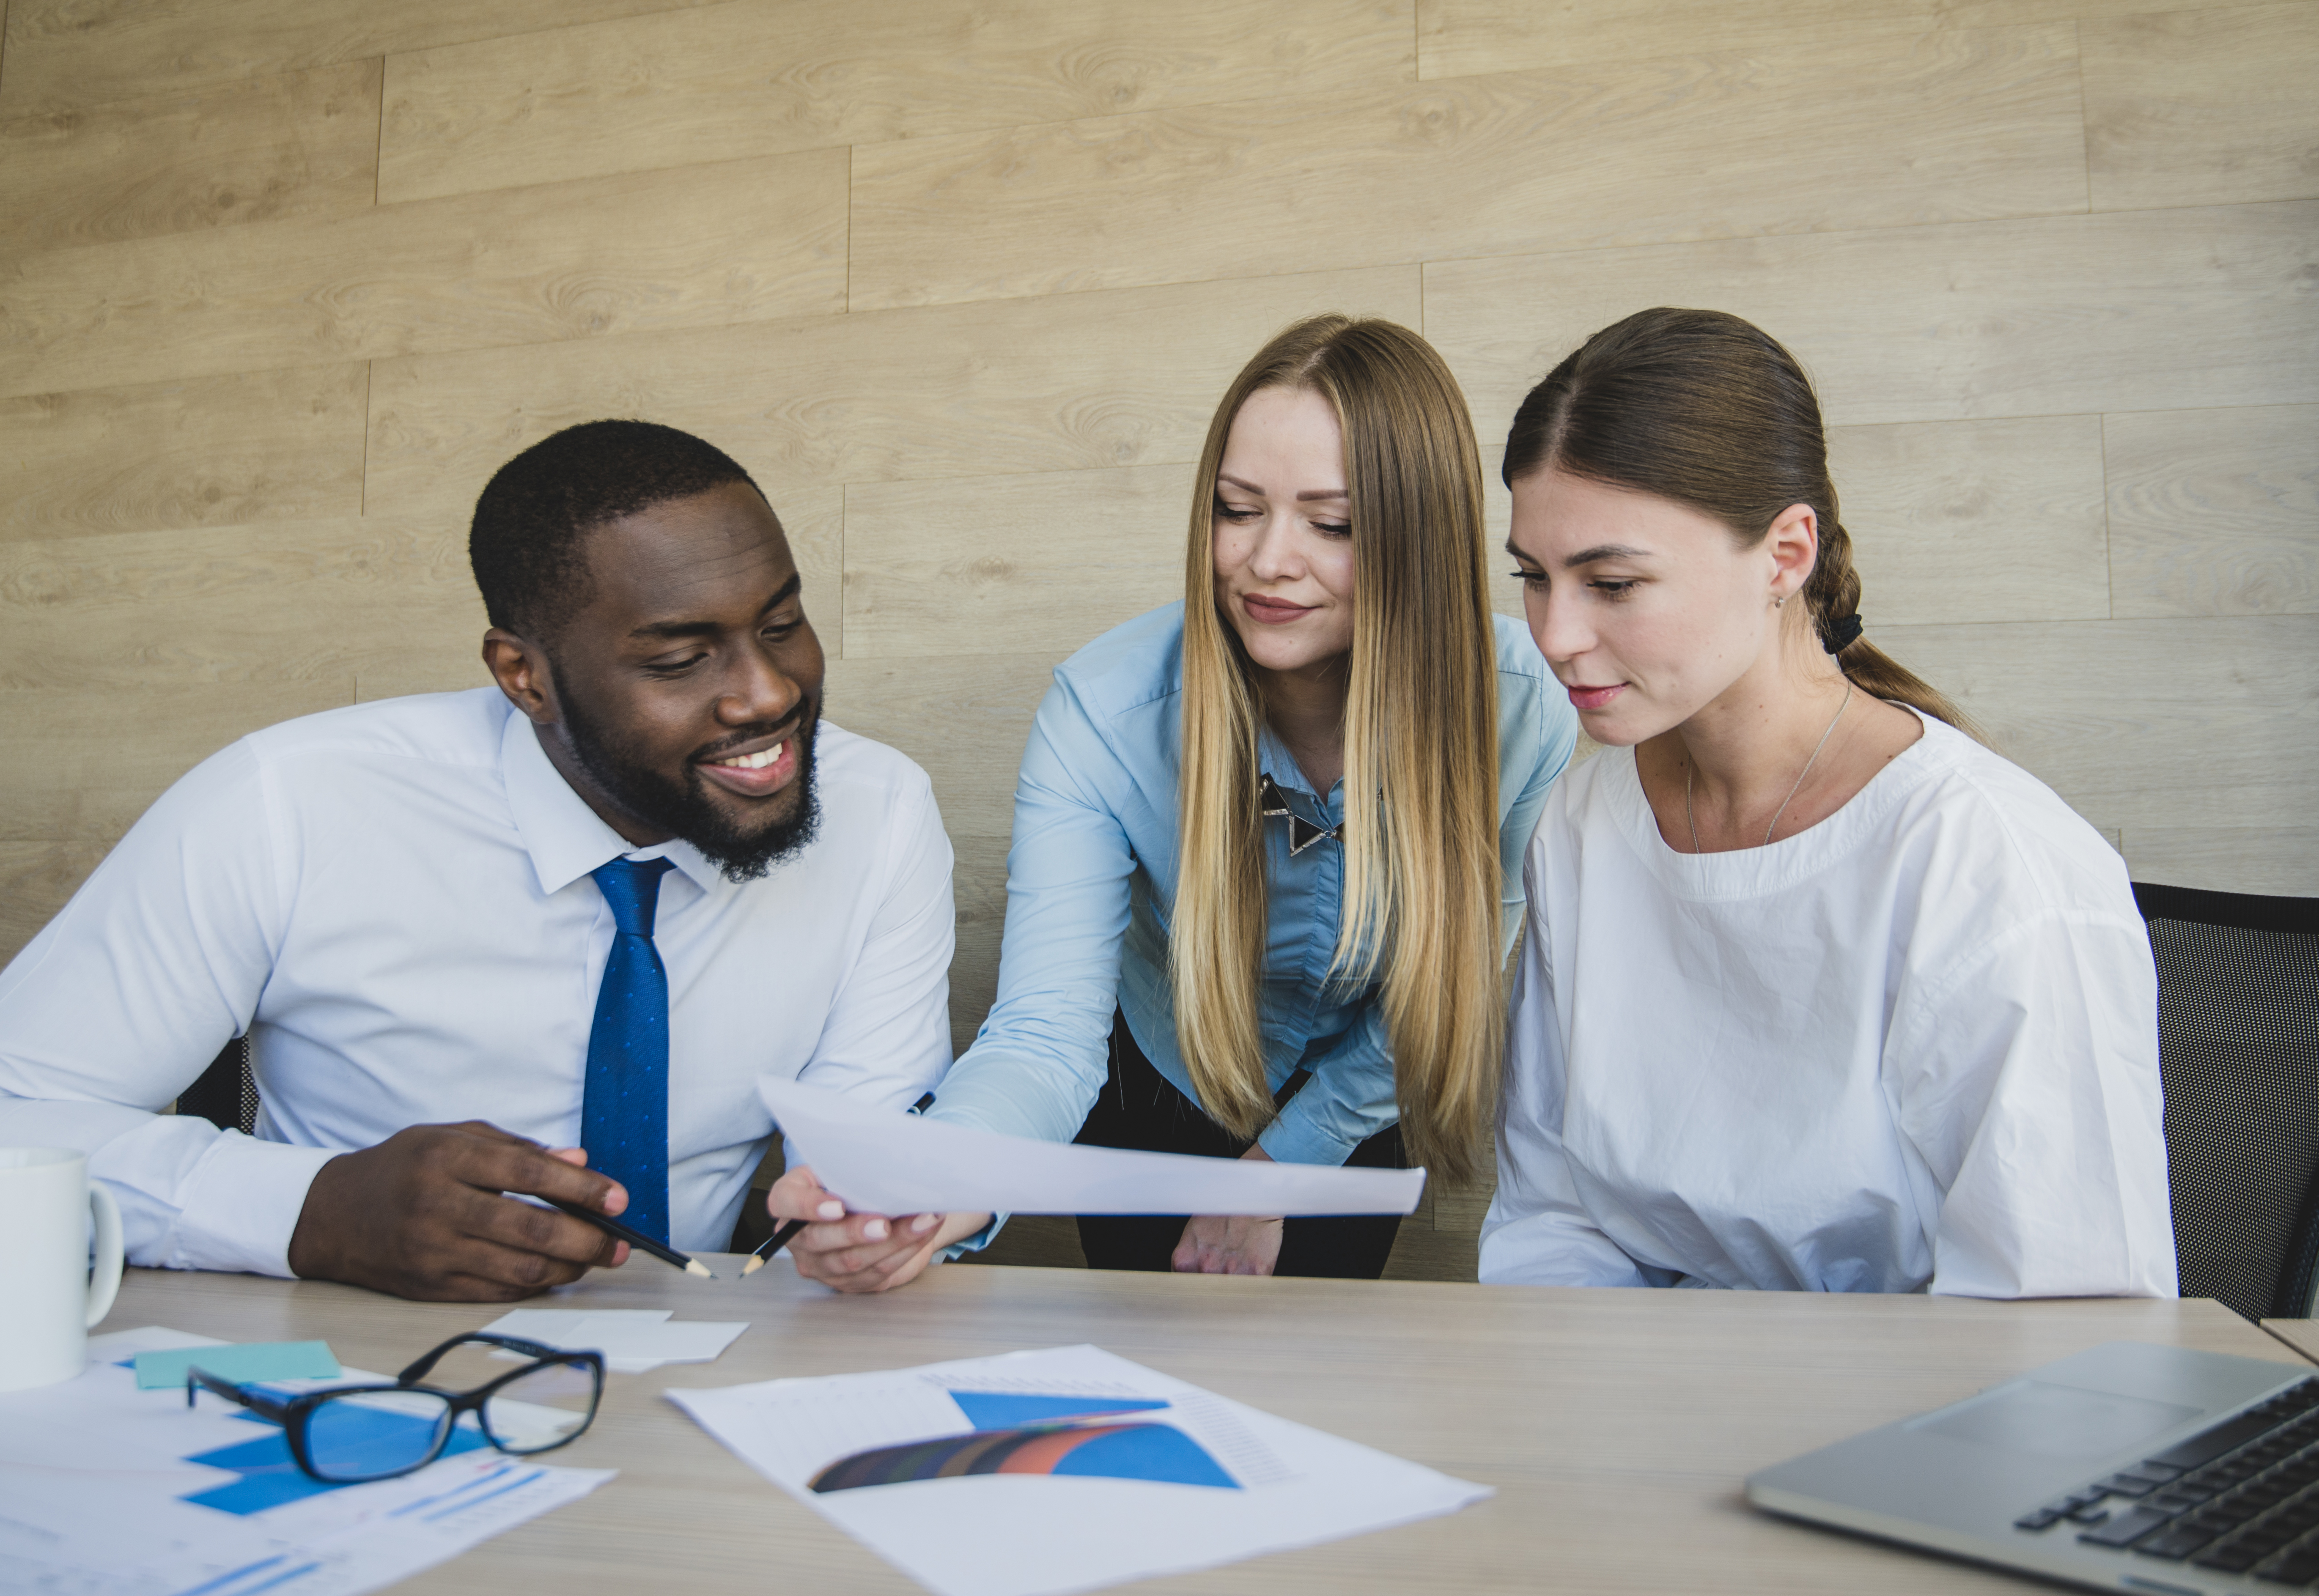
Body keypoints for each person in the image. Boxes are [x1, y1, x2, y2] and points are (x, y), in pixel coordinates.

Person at [0, 420, 955, 1302]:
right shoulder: (287, 802)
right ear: (523, 677)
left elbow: (864, 1148)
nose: (767, 694)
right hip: (341, 1355)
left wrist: (866, 1217)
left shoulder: (878, 813)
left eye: (781, 625)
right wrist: (312, 1210)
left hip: (695, 1365)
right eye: (679, 660)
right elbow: (18, 1117)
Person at [776, 314, 1578, 1291]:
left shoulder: (1528, 705)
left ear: (1421, 534)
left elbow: (1440, 989)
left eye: (1333, 525)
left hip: (1362, 1091)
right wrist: (928, 1185)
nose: (1266, 561)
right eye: (1237, 510)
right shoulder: (1103, 710)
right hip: (1153, 1087)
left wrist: (1285, 1166)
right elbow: (1045, 1031)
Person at [1478, 307, 2177, 1297]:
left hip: (1917, 1425)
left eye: (1613, 583)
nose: (1553, 635)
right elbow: (1552, 1218)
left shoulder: (1989, 862)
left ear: (1785, 553)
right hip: (1636, 1401)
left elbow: (2061, 1318)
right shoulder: (1584, 821)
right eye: (1534, 579)